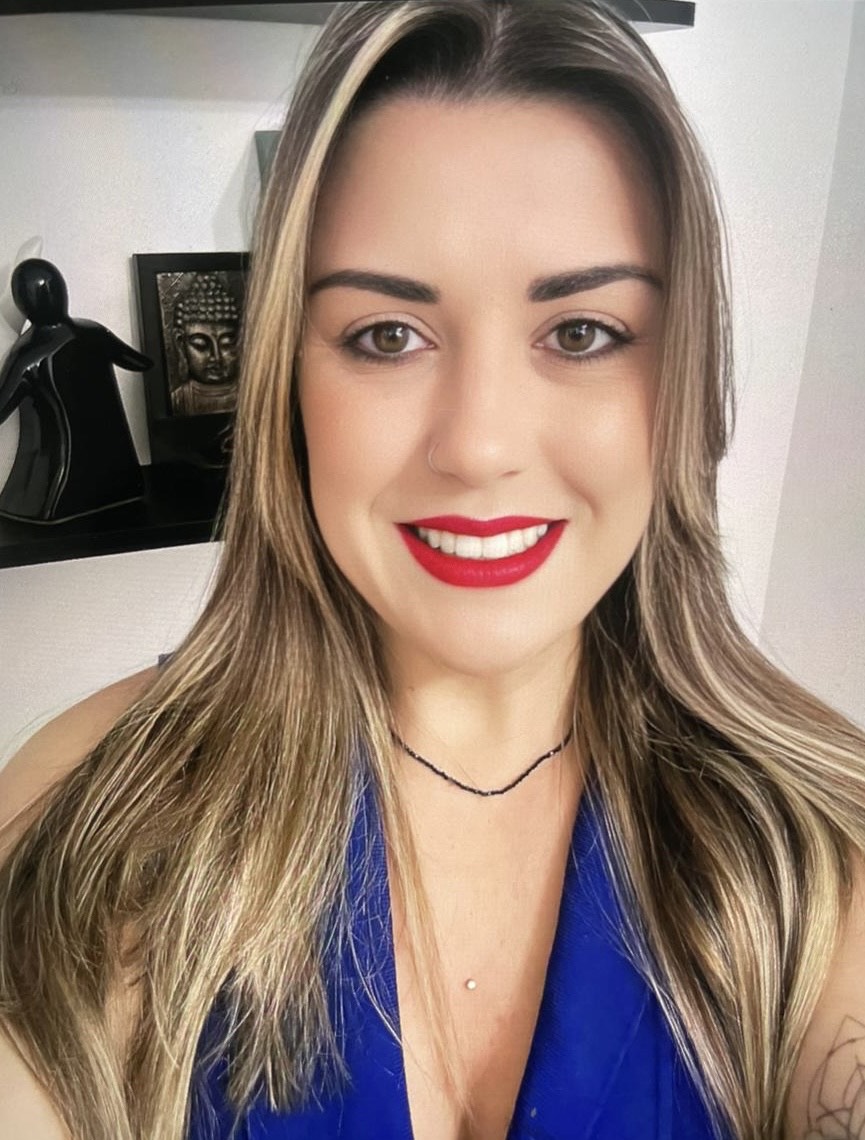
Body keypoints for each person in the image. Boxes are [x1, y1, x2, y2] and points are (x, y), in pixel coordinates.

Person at [2, 1, 865, 1138]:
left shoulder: (814, 853)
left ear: (683, 375)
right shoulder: (87, 810)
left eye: (581, 333)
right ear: (287, 385)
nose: (478, 445)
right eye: (386, 336)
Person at [170, 274, 240, 416]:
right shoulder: (179, 399)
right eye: (201, 345)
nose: (216, 357)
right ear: (180, 343)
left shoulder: (248, 393)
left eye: (227, 344)